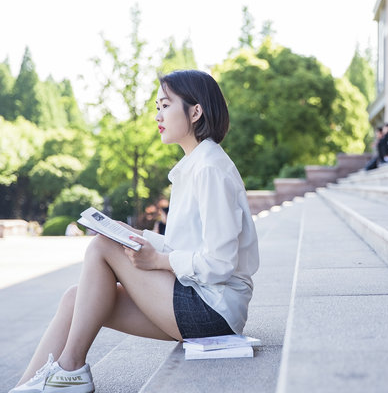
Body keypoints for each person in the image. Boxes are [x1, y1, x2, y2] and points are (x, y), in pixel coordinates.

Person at [10, 70, 260, 393]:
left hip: (213, 310)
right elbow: (185, 245)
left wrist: (157, 261)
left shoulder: (210, 168)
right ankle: (24, 387)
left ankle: (71, 369)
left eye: (166, 105)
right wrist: (137, 235)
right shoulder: (195, 166)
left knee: (101, 247)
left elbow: (221, 262)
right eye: (157, 106)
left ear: (195, 111)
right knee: (75, 299)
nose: (158, 115)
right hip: (197, 300)